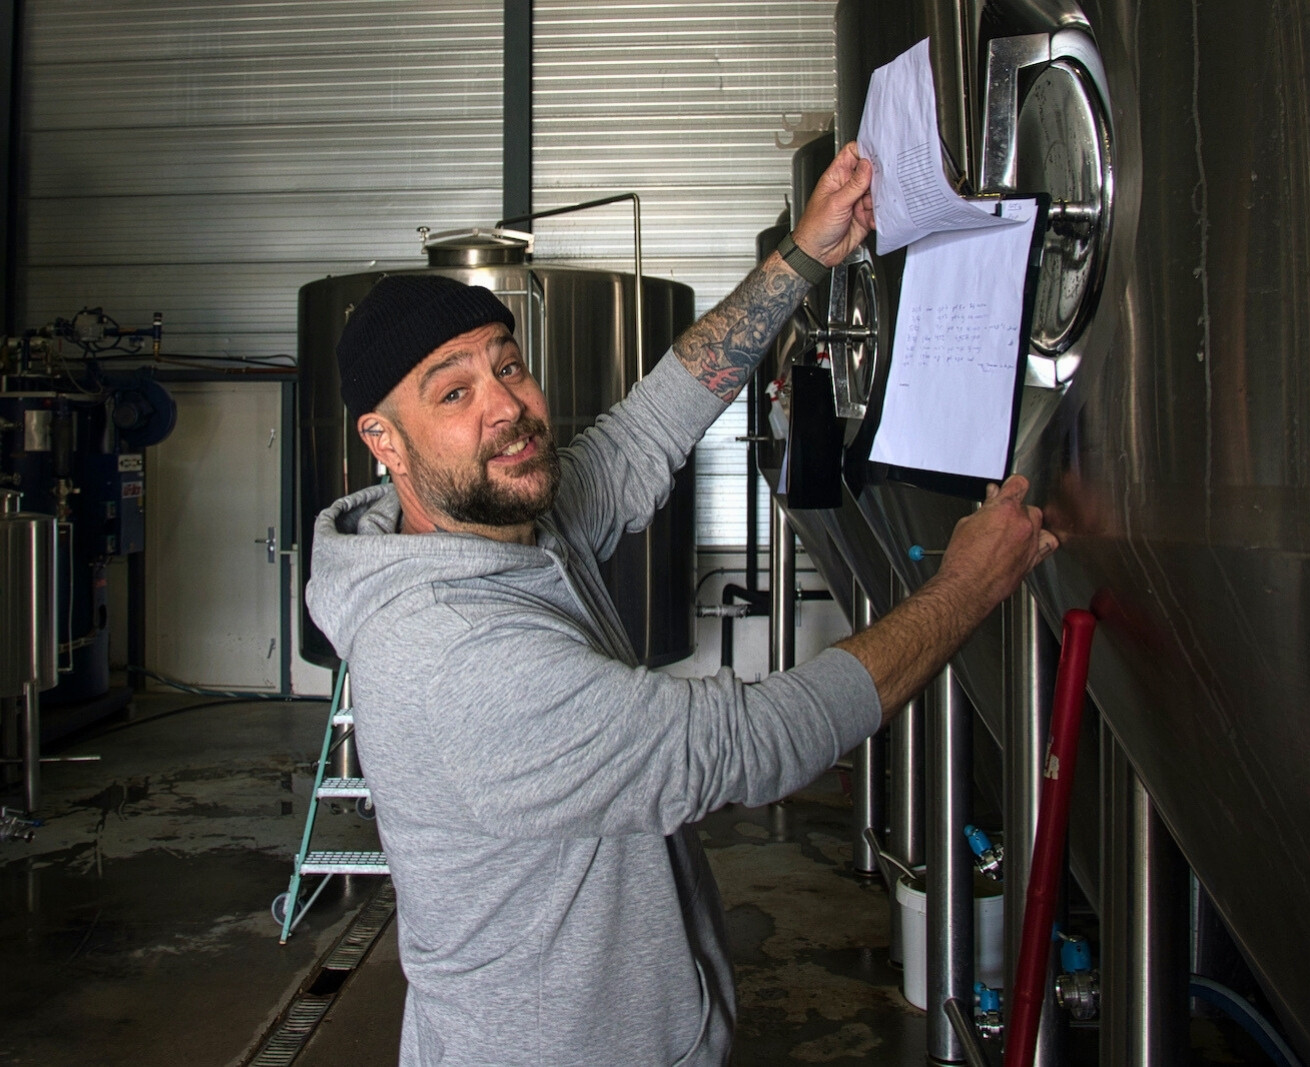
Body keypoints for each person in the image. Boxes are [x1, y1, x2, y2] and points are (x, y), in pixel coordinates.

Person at [306, 142, 1057, 1066]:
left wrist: (807, 253)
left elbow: (654, 417)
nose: (504, 405)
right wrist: (968, 584)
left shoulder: (507, 522)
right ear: (385, 440)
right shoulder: (456, 657)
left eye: (507, 364)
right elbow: (752, 743)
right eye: (453, 391)